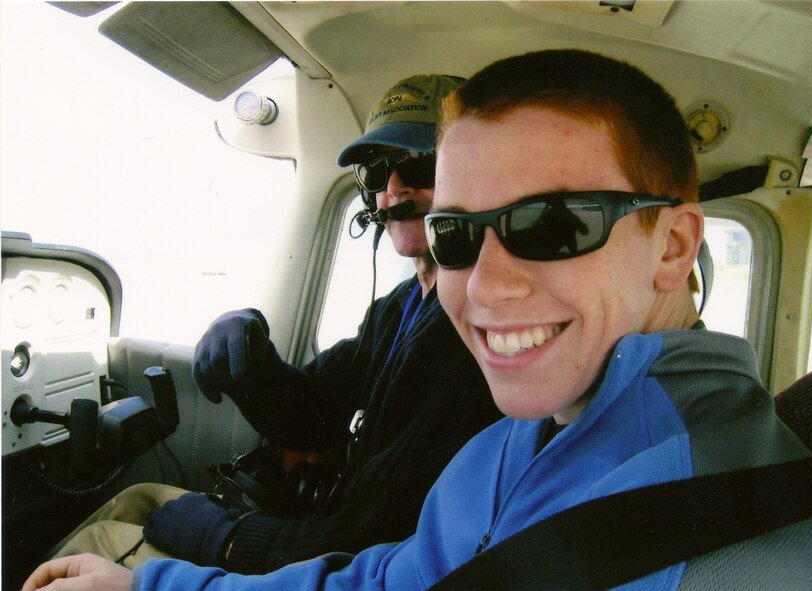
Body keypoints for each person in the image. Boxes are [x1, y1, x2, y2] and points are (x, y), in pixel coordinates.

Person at [25, 48, 812, 591]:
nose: (486, 286)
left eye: (551, 223)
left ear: (672, 245)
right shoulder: (518, 436)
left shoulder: (707, 540)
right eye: (457, 234)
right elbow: (390, 573)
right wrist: (151, 586)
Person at [44, 74, 501, 576]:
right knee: (137, 499)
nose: (393, 189)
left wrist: (229, 538)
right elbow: (316, 415)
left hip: (348, 561)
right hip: (326, 537)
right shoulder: (398, 307)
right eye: (376, 171)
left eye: (418, 164)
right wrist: (253, 365)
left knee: (98, 541)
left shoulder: (472, 333)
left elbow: (378, 537)